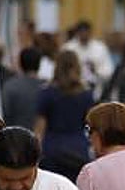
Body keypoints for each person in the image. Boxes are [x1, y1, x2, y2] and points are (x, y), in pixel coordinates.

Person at [35, 49, 94, 182]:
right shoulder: (86, 94)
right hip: (78, 148)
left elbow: (39, 130)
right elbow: (90, 124)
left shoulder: (46, 93)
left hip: (52, 149)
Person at [62, 20, 114, 90]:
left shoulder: (100, 47)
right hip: (72, 88)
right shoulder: (68, 48)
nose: (84, 34)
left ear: (90, 32)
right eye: (81, 32)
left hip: (96, 87)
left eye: (86, 31)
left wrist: (96, 70)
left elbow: (109, 71)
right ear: (77, 33)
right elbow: (61, 69)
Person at [1, 47, 43, 132]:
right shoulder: (47, 88)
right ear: (39, 64)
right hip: (41, 136)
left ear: (21, 64)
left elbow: (4, 113)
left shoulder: (10, 86)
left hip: (16, 135)